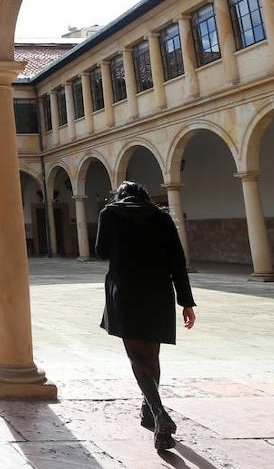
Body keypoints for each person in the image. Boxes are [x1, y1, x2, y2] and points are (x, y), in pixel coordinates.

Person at [95, 181, 196, 452]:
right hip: (158, 291)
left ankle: (159, 413)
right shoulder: (161, 217)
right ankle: (151, 415)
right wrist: (186, 302)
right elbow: (177, 261)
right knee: (152, 357)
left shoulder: (110, 214)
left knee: (136, 356)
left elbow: (101, 252)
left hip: (125, 292)